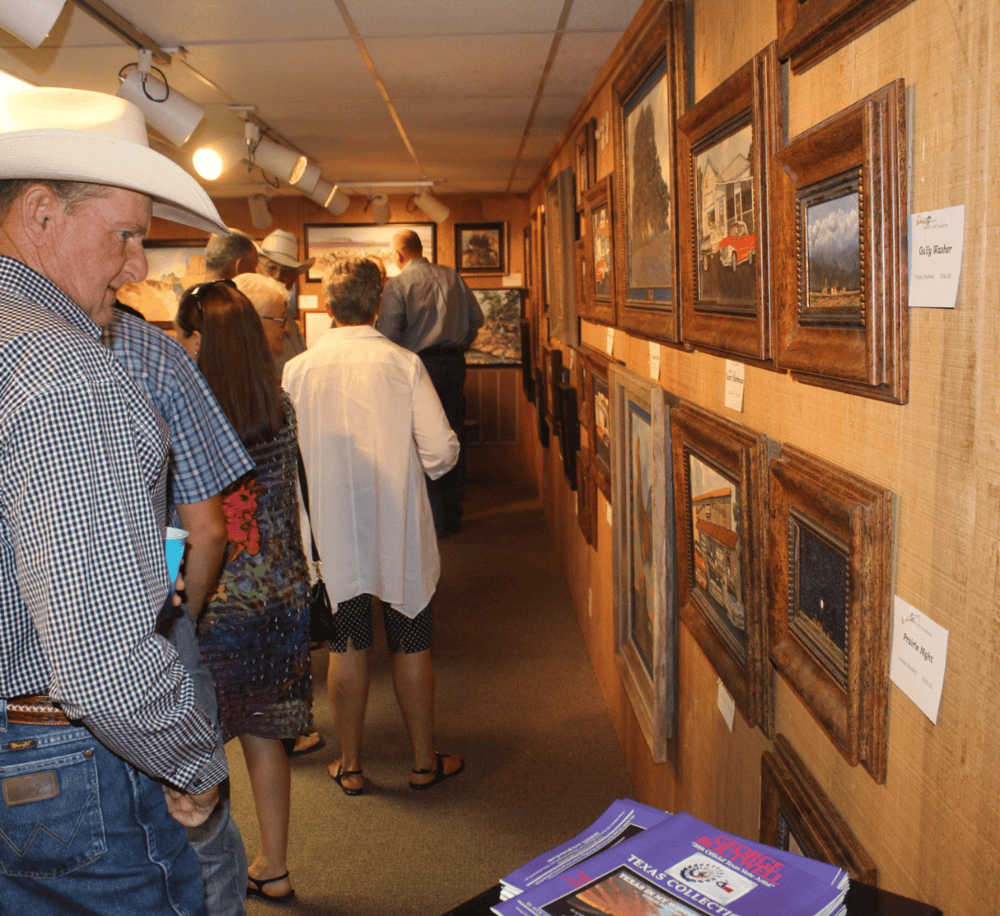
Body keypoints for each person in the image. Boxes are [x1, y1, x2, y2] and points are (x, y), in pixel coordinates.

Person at [0, 86, 229, 915]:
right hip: (60, 772)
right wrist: (195, 764)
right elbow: (102, 669)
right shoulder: (67, 373)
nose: (139, 268)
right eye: (126, 235)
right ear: (39, 214)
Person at [283, 255, 464, 797]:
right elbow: (440, 453)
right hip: (397, 527)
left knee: (347, 642)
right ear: (379, 302)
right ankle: (421, 762)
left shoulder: (298, 370)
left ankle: (353, 764)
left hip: (330, 537)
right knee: (411, 639)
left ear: (329, 306)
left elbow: (287, 460)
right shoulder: (403, 364)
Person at [105, 305, 255, 916]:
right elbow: (210, 529)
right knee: (198, 822)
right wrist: (179, 618)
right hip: (156, 613)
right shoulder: (156, 355)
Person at [175, 280, 312, 904]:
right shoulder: (277, 403)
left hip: (220, 604)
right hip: (282, 596)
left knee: (202, 741)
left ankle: (215, 878)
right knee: (264, 733)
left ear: (202, 339)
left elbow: (202, 527)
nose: (178, 344)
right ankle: (274, 865)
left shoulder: (192, 414)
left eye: (183, 333)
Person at [233, 270, 327, 760]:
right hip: (252, 578)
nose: (286, 329)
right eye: (279, 319)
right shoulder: (265, 401)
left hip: (263, 574)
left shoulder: (272, 391)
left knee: (260, 717)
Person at [376, 229, 484, 537]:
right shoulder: (453, 276)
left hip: (418, 368)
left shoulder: (398, 284)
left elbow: (388, 336)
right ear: (420, 249)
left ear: (398, 256)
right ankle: (453, 515)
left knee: (422, 440)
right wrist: (458, 346)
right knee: (451, 436)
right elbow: (477, 321)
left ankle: (432, 521)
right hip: (454, 364)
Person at [257, 228, 311, 374]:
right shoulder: (252, 314)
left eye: (286, 271)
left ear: (295, 277)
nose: (277, 276)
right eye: (272, 267)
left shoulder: (285, 313)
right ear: (260, 269)